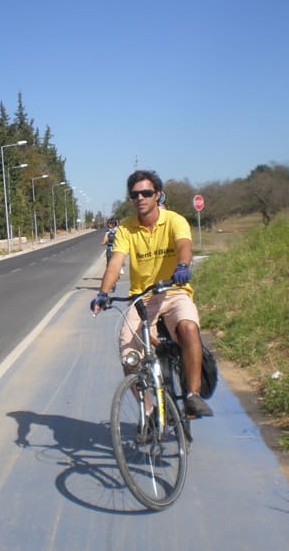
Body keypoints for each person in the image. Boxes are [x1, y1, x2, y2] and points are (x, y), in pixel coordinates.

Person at [90, 170, 213, 417]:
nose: (141, 198)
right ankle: (148, 411)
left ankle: (192, 395)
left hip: (173, 291)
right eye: (135, 194)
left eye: (146, 193)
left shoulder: (174, 220)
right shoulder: (126, 229)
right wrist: (103, 293)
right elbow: (115, 263)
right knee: (128, 352)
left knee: (189, 327)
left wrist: (182, 266)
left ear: (157, 195)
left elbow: (184, 245)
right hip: (142, 298)